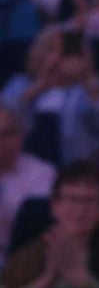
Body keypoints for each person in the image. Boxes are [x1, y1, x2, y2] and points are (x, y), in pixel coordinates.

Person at [0, 27, 99, 164]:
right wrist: (40, 85)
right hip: (22, 167)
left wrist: (86, 78)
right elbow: (6, 119)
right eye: (52, 50)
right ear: (40, 53)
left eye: (66, 52)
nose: (58, 58)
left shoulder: (93, 88)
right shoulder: (19, 84)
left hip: (75, 168)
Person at [0, 104, 54, 264]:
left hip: (25, 262)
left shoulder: (43, 174)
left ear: (21, 136)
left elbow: (38, 228)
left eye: (7, 134)